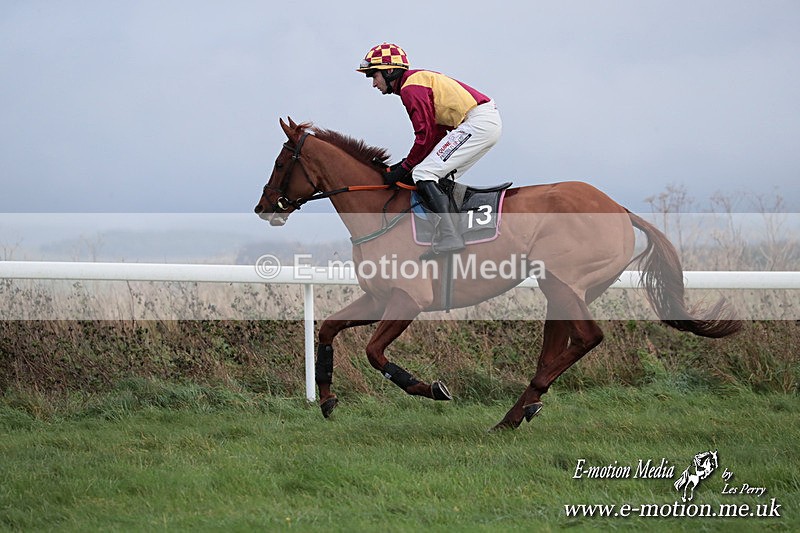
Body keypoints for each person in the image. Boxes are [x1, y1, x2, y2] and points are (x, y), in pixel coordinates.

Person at [356, 43, 502, 258]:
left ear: (389, 71)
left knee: (424, 174)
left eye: (373, 76)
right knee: (436, 176)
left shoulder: (410, 89)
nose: (373, 84)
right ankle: (449, 233)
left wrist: (404, 167)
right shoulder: (414, 83)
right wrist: (406, 165)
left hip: (477, 122)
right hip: (481, 122)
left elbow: (424, 137)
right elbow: (434, 135)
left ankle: (450, 236)